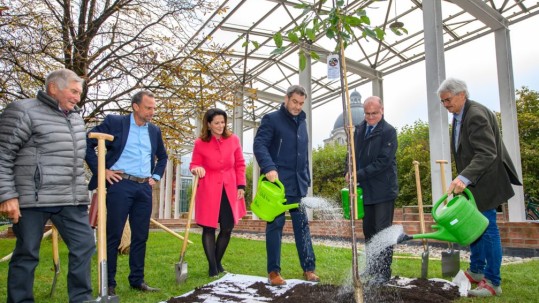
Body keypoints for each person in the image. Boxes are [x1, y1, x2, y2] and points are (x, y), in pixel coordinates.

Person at [0, 69, 95, 302]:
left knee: (84, 245)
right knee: (28, 252)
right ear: (53, 87)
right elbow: (3, 153)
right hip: (33, 198)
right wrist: (6, 195)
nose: (77, 97)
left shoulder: (75, 117)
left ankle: (81, 298)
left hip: (70, 198)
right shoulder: (23, 110)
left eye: (79, 93)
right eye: (73, 91)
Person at [437, 78, 521, 297]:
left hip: (486, 182)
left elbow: (487, 152)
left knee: (488, 229)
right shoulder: (459, 115)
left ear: (462, 94)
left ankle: (493, 282)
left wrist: (463, 178)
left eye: (448, 100)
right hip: (474, 183)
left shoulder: (475, 115)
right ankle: (476, 271)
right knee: (474, 228)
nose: (445, 105)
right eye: (442, 101)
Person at [85, 90, 168, 296]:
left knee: (141, 236)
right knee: (113, 235)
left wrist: (155, 177)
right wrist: (102, 170)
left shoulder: (154, 131)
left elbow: (163, 157)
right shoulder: (115, 122)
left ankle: (137, 280)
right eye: (148, 108)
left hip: (144, 188)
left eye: (154, 108)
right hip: (120, 185)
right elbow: (88, 142)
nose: (152, 112)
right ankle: (109, 283)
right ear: (135, 106)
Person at [253, 84, 319, 286]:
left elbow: (303, 155)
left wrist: (306, 178)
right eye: (294, 102)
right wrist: (269, 167)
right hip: (278, 185)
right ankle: (274, 272)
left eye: (301, 103)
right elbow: (259, 144)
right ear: (286, 98)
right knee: (275, 226)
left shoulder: (302, 123)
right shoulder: (272, 119)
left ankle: (309, 269)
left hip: (298, 185)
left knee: (302, 227)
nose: (298, 106)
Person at [346, 96, 398, 285]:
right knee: (368, 231)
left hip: (383, 190)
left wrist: (357, 174)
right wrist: (348, 170)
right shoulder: (359, 129)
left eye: (374, 113)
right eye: (367, 114)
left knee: (382, 232)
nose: (370, 117)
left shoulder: (389, 132)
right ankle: (372, 267)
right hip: (365, 190)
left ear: (381, 110)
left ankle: (383, 273)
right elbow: (350, 154)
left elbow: (383, 162)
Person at [189, 108, 247, 277]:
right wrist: (197, 168)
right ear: (208, 124)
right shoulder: (200, 143)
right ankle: (213, 267)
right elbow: (193, 164)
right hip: (208, 189)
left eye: (223, 122)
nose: (221, 126)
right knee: (208, 228)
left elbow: (240, 164)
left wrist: (241, 186)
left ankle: (217, 261)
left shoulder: (233, 140)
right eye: (216, 123)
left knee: (227, 227)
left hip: (230, 188)